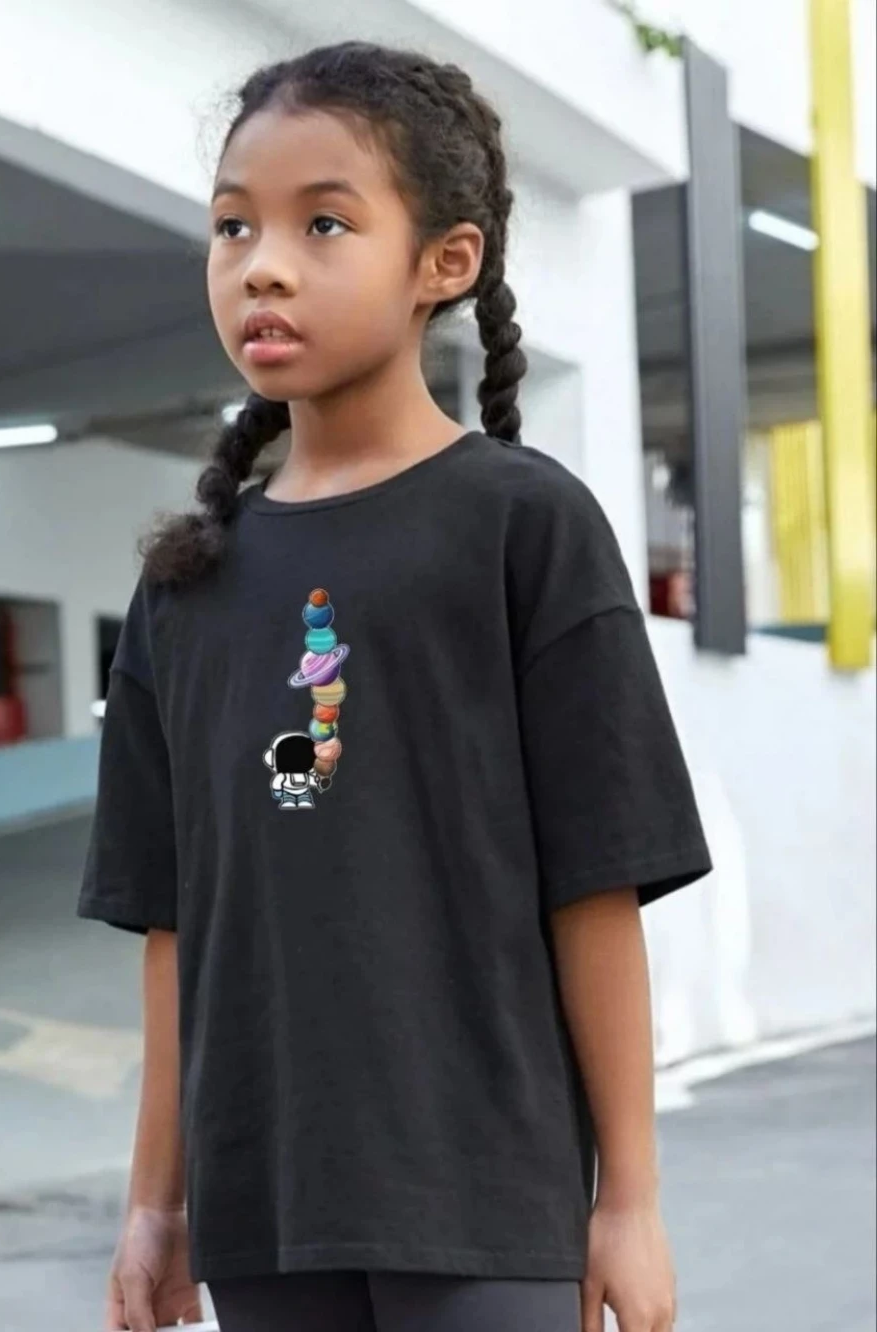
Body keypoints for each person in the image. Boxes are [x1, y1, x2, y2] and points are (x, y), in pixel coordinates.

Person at [77, 40, 712, 1332]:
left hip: (488, 1200)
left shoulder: (522, 527)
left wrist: (630, 1202)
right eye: (233, 226)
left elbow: (596, 885)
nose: (263, 264)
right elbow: (172, 925)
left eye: (323, 224)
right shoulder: (188, 583)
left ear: (446, 263)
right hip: (268, 1210)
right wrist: (157, 1203)